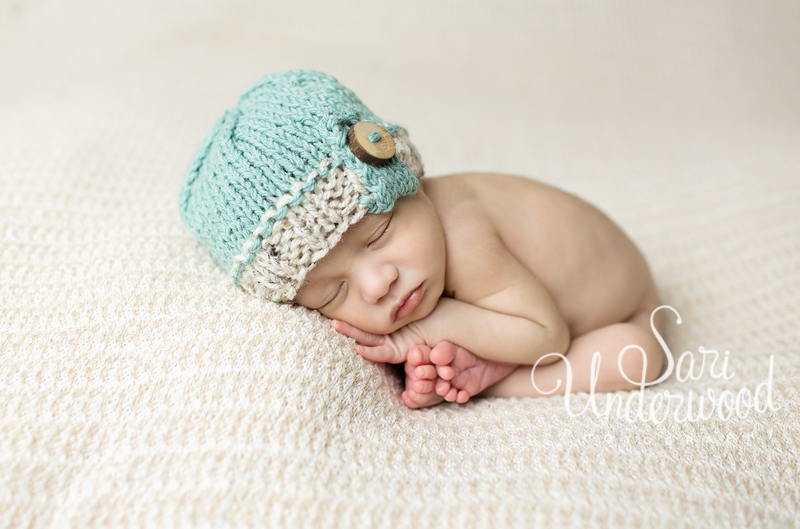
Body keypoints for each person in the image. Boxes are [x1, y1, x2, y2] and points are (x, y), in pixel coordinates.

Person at [180, 69, 666, 409]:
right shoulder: (411, 262)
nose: (377, 284)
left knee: (636, 355)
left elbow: (547, 334)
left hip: (619, 304)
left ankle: (495, 380)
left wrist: (426, 331)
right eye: (334, 291)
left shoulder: (460, 229)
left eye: (380, 234)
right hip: (544, 318)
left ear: (409, 180)